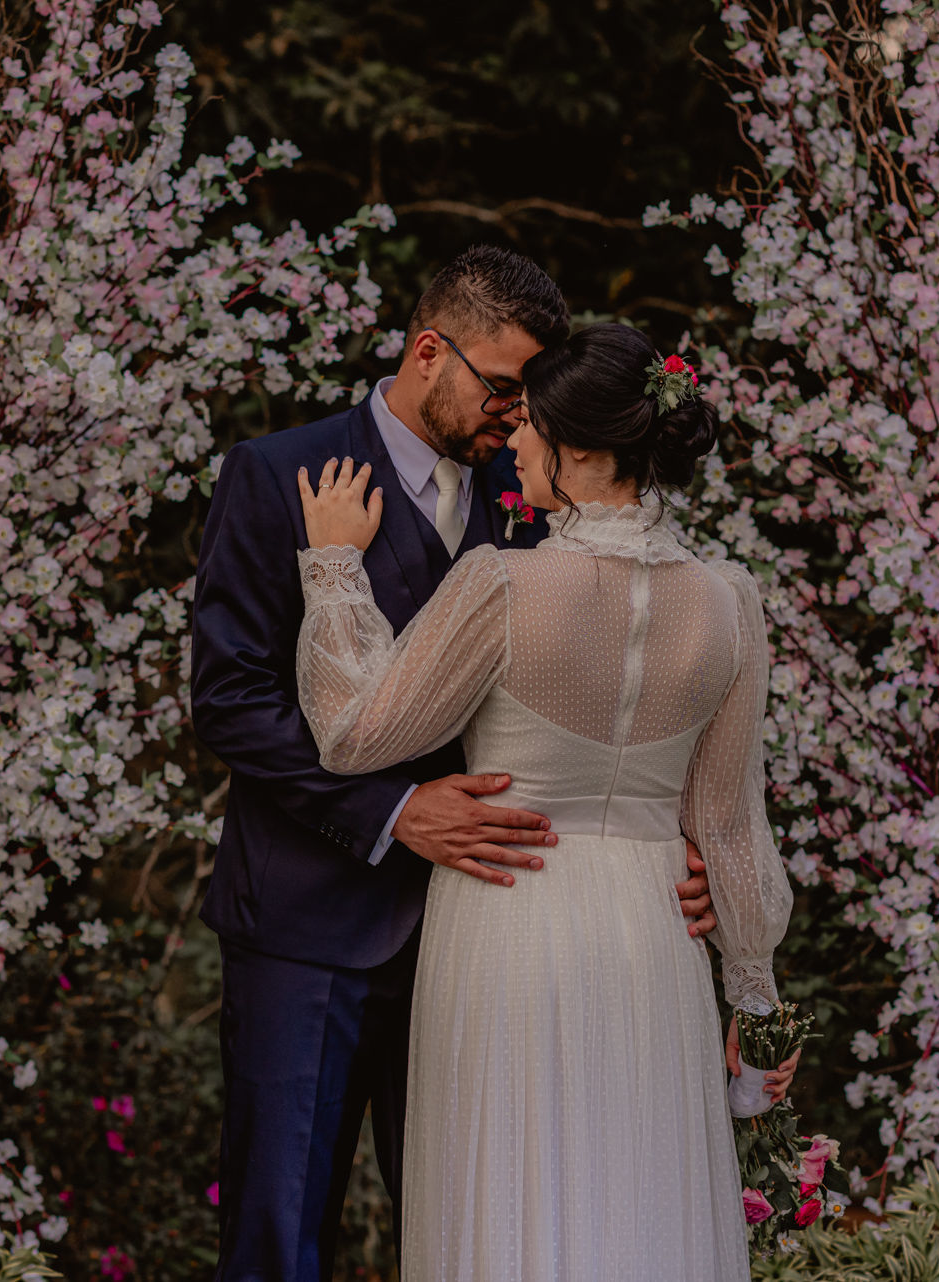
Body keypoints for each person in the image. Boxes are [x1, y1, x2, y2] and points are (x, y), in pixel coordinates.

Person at [190, 248, 720, 1282]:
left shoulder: (538, 500)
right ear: (429, 349)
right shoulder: (278, 473)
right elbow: (232, 700)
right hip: (311, 929)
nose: (517, 418)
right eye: (505, 388)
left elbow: (616, 684)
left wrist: (674, 841)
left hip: (486, 937)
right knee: (278, 1236)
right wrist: (394, 811)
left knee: (474, 1233)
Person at [292, 322, 797, 1280]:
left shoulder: (503, 582)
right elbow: (728, 826)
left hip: (511, 916)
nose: (513, 444)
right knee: (641, 1208)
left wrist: (334, 565)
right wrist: (757, 1000)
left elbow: (355, 733)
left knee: (512, 1209)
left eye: (530, 427)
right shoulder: (730, 601)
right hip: (654, 940)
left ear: (581, 449)